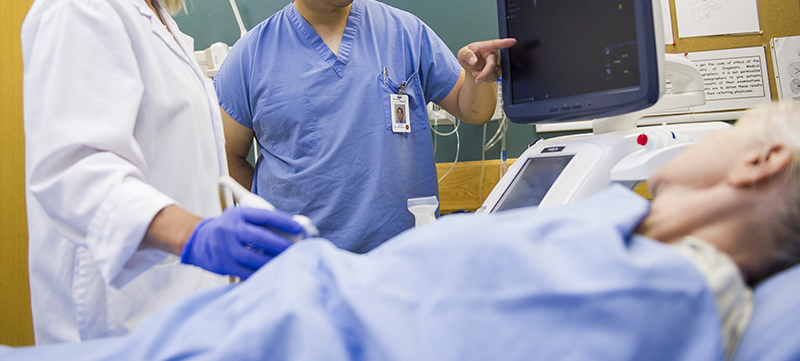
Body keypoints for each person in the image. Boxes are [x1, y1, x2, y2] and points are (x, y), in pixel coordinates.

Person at [3, 101, 799, 360]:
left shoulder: (662, 291)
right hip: (253, 308)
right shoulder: (620, 224)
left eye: (735, 125)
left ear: (763, 161)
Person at [20, 0, 302, 344]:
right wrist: (195, 234)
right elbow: (76, 170)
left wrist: (249, 219)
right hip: (116, 319)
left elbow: (181, 165)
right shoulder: (83, 3)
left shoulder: (158, 20)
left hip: (177, 307)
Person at [214, 0, 516, 253]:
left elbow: (475, 111)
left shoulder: (405, 32)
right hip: (303, 262)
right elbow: (226, 156)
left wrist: (477, 76)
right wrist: (270, 221)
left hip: (402, 255)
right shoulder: (250, 56)